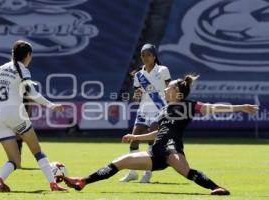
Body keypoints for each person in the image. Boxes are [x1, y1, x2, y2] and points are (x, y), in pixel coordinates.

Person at [63, 74, 259, 195]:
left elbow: (213, 108)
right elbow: (159, 132)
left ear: (177, 90)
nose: (165, 89)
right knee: (120, 162)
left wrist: (241, 107)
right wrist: (136, 138)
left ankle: (217, 188)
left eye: (169, 86)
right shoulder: (164, 109)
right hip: (155, 152)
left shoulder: (189, 106)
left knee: (187, 172)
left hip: (171, 148)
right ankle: (83, 181)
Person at [0, 40, 67, 192]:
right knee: (37, 151)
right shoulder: (23, 70)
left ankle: (0, 178)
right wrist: (52, 106)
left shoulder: (2, 68)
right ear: (28, 55)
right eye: (31, 56)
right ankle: (53, 184)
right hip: (14, 113)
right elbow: (33, 94)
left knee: (14, 159)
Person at [120, 43, 171, 183]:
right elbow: (137, 97)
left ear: (154, 56)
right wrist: (136, 94)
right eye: (143, 55)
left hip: (159, 110)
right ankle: (132, 173)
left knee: (151, 141)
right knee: (134, 140)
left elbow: (171, 89)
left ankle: (147, 174)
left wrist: (172, 105)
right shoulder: (138, 75)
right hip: (143, 110)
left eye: (148, 54)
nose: (145, 57)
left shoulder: (163, 70)